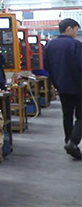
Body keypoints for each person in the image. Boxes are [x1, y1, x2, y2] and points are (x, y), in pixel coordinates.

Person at [43, 18, 82, 160]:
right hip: (78, 86)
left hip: (61, 86)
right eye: (76, 30)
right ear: (68, 29)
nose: (76, 33)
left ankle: (68, 141)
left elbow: (46, 67)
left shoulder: (49, 45)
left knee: (67, 114)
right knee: (81, 116)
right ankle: (73, 142)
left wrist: (55, 82)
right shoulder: (76, 45)